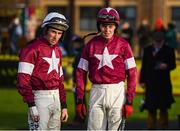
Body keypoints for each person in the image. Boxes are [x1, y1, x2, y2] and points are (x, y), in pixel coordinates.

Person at [75, 7, 137, 130]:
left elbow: (132, 74)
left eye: (110, 26)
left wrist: (129, 101)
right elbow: (80, 72)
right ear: (99, 26)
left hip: (117, 92)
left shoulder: (124, 45)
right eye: (104, 26)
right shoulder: (90, 45)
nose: (107, 30)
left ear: (116, 26)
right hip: (96, 91)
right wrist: (80, 99)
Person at [16, 12, 69, 130]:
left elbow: (60, 81)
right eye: (53, 32)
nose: (56, 36)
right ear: (45, 30)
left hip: (56, 100)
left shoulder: (58, 50)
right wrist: (31, 104)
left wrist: (64, 105)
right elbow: (22, 81)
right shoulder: (31, 49)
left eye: (60, 33)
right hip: (39, 99)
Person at [139, 30, 176, 129]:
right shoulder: (147, 50)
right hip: (150, 83)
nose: (158, 44)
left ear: (163, 40)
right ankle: (151, 128)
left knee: (163, 108)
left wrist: (166, 66)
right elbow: (144, 66)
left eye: (160, 42)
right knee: (151, 108)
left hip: (164, 84)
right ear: (153, 40)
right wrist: (142, 80)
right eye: (156, 41)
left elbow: (173, 65)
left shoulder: (169, 50)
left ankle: (164, 127)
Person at [71, 35, 87, 124]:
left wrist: (76, 82)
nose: (74, 45)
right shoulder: (80, 52)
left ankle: (80, 118)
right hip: (79, 81)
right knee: (80, 99)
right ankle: (80, 117)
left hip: (79, 81)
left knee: (80, 100)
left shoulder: (81, 53)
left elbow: (79, 70)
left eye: (75, 43)